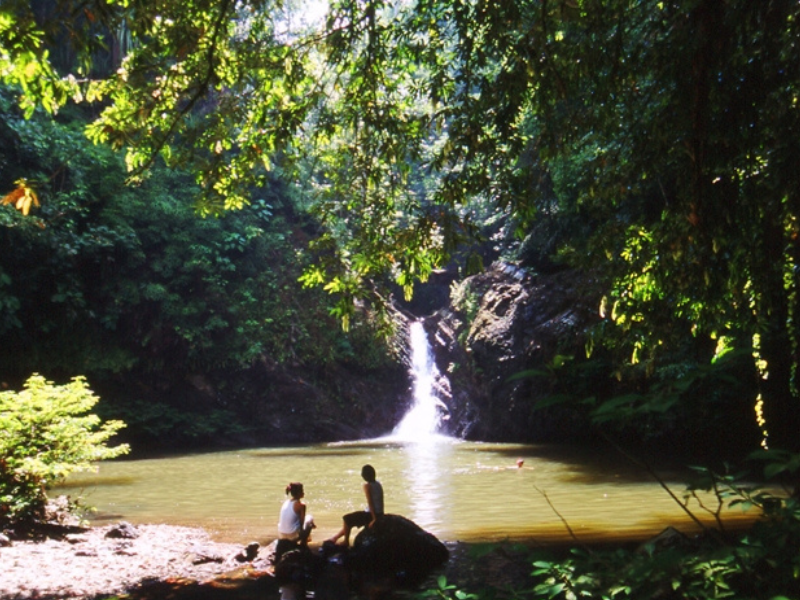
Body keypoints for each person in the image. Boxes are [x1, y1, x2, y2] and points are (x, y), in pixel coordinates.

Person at [327, 464, 384, 547]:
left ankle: (346, 542)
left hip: (372, 514)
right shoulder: (378, 484)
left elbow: (370, 502)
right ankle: (335, 538)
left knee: (347, 519)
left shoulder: (367, 486)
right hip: (379, 513)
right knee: (349, 524)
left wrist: (374, 519)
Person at [275, 482, 315, 562]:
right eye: (302, 490)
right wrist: (308, 529)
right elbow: (302, 524)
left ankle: (305, 539)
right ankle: (303, 544)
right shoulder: (301, 505)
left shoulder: (286, 502)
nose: (304, 492)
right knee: (310, 518)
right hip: (291, 536)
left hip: (282, 535)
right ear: (299, 493)